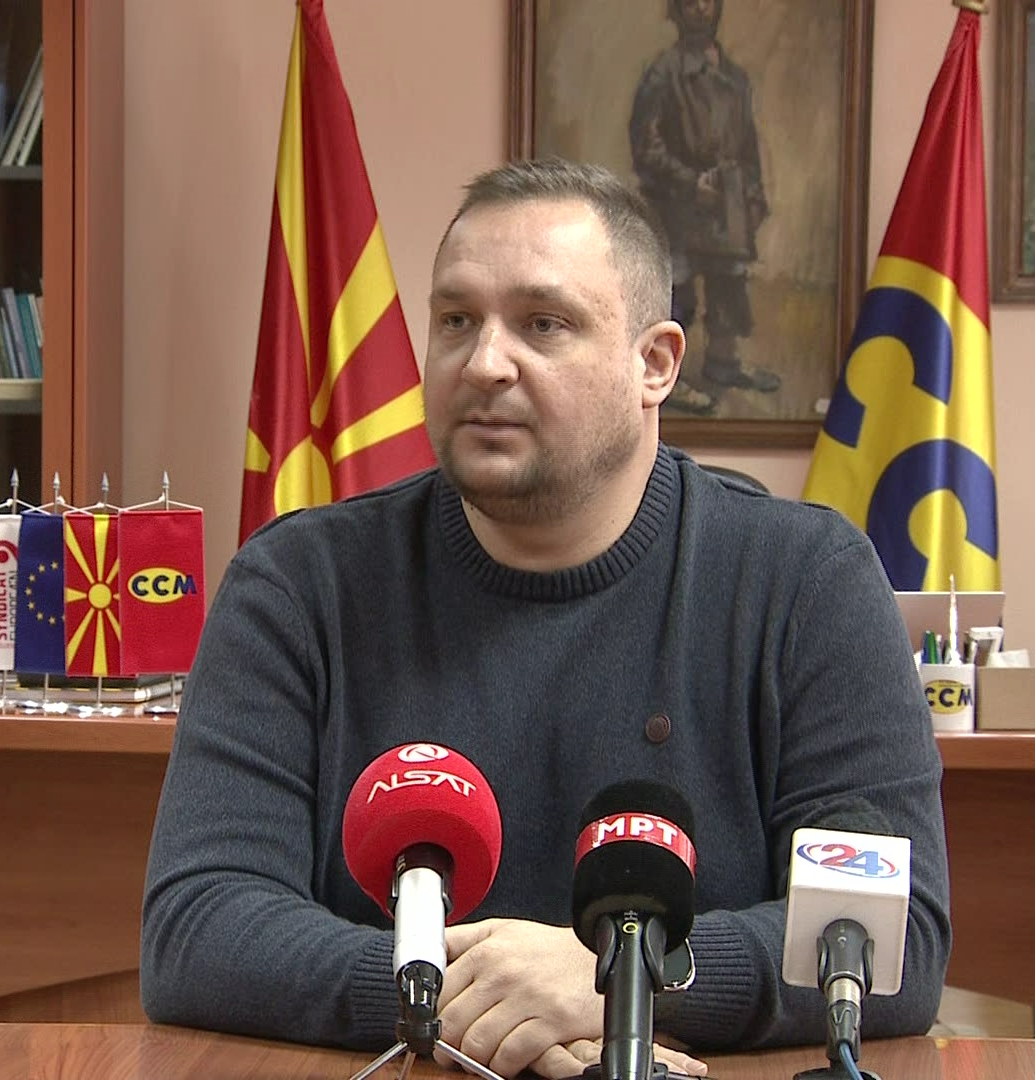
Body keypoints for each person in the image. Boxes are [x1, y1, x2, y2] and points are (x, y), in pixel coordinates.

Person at [141, 158, 950, 1079]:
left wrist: (626, 981)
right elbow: (197, 925)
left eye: (543, 324)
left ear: (655, 364)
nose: (484, 363)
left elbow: (897, 937)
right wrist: (456, 997)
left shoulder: (809, 583)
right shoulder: (296, 584)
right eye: (456, 320)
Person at [629, 0, 779, 416]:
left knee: (729, 283)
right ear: (676, 12)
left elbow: (747, 145)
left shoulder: (734, 77)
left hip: (726, 201)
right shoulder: (663, 74)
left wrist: (753, 194)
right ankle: (666, 379)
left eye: (707, 2)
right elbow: (647, 148)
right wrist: (691, 183)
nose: (700, 10)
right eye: (690, 2)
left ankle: (724, 363)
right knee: (676, 291)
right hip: (676, 203)